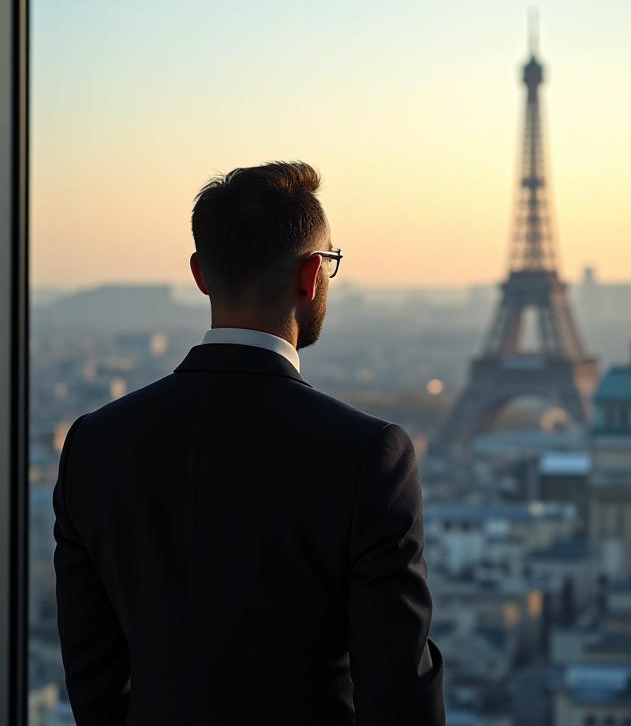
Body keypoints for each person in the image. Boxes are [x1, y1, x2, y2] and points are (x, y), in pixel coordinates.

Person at [53, 161, 445, 725]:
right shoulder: (368, 455)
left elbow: (92, 679)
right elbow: (399, 695)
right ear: (312, 275)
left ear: (200, 275)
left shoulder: (94, 445)